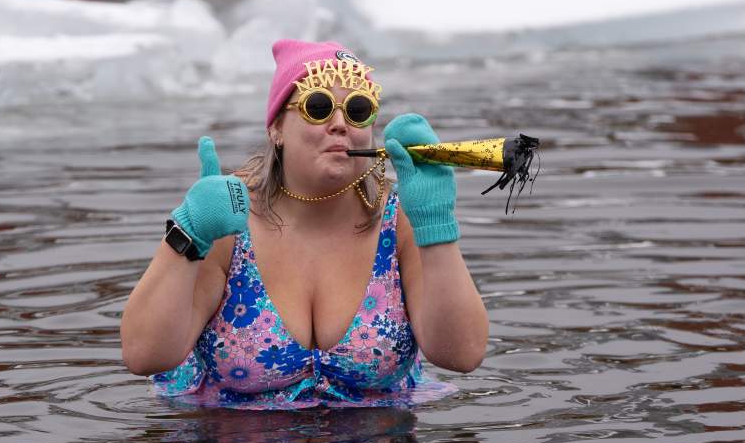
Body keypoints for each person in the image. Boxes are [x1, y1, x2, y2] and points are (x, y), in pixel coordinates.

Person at [120, 39, 488, 408]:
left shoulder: (401, 222)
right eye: (318, 107)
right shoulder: (226, 221)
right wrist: (188, 232)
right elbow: (143, 355)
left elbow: (463, 355)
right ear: (277, 128)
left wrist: (436, 225)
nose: (341, 124)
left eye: (358, 110)